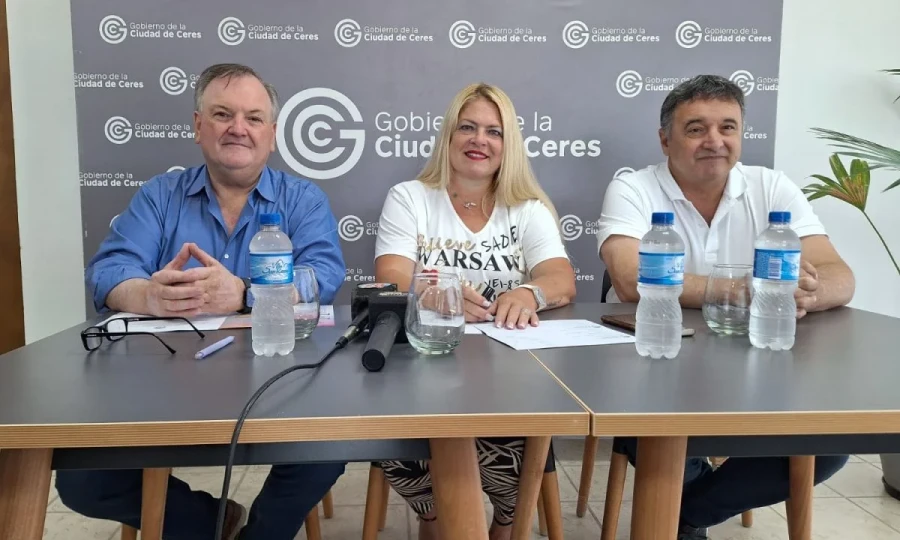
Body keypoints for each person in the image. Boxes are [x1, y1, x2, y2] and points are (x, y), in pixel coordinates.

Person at [57, 63, 347, 540]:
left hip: (278, 378)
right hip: (164, 382)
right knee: (83, 479)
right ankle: (213, 522)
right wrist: (147, 294)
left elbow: (325, 276)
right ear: (197, 126)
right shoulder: (159, 196)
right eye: (222, 114)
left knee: (329, 446)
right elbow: (108, 273)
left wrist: (248, 294)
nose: (238, 128)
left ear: (271, 135)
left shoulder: (302, 200)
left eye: (254, 118)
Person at [596, 74, 856, 539]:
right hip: (650, 364)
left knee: (828, 443)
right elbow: (631, 278)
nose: (714, 141)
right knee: (662, 433)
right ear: (665, 139)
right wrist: (751, 289)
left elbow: (840, 276)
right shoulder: (634, 188)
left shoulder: (771, 187)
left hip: (753, 364)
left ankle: (681, 516)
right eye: (696, 128)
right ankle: (683, 518)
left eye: (728, 127)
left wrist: (805, 291)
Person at [373, 82, 576, 540]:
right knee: (393, 440)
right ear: (448, 136)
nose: (478, 140)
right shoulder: (410, 197)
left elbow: (560, 279)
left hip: (510, 374)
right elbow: (390, 275)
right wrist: (435, 291)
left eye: (493, 131)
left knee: (515, 442)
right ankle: (434, 514)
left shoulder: (526, 208)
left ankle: (505, 521)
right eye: (467, 127)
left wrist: (528, 294)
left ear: (509, 147)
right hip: (423, 366)